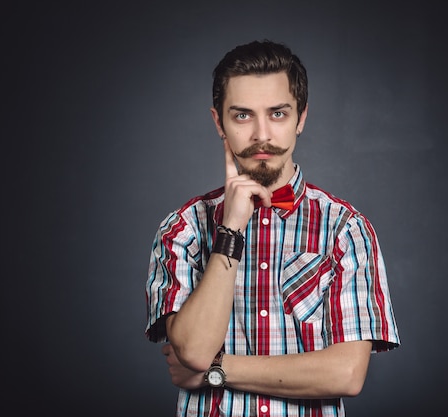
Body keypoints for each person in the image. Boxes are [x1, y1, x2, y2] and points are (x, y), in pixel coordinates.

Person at [145, 39, 400, 417]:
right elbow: (195, 350)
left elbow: (347, 373)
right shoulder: (182, 228)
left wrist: (218, 370)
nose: (261, 135)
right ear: (219, 122)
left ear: (301, 118)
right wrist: (230, 230)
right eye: (243, 115)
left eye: (278, 114)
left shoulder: (346, 228)